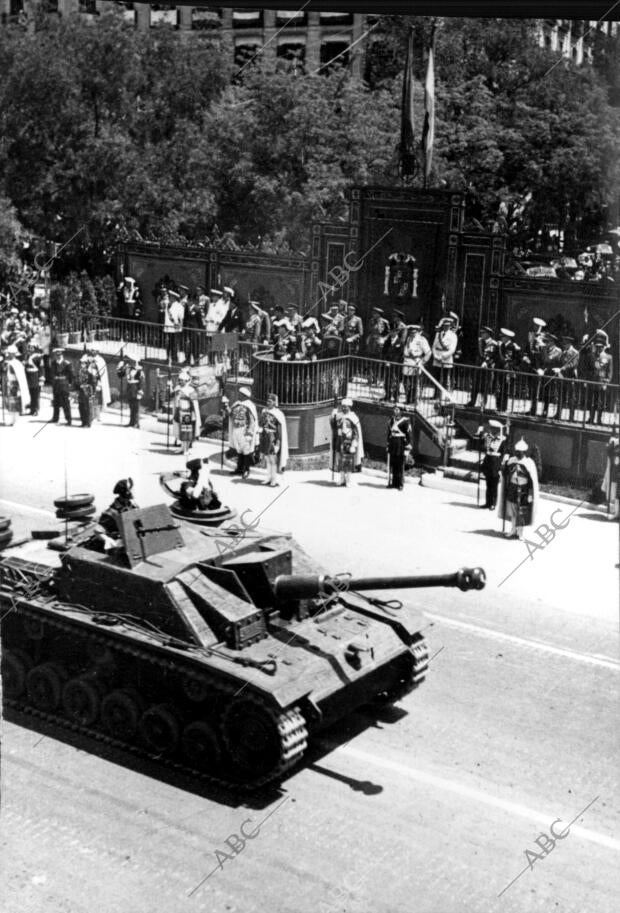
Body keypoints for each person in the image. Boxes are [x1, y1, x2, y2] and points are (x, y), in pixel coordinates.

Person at [498, 438, 540, 540]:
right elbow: (505, 474)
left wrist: (530, 493)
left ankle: (520, 533)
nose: (517, 453)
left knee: (522, 511)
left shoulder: (529, 463)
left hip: (524, 489)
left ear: (524, 452)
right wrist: (504, 463)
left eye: (520, 452)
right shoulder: (511, 460)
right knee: (513, 511)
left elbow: (531, 480)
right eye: (516, 451)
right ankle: (512, 530)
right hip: (512, 487)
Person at [225, 386, 258, 479]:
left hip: (244, 430)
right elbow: (231, 414)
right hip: (236, 429)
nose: (238, 395)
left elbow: (252, 421)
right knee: (239, 449)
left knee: (246, 450)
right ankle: (239, 469)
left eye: (240, 394)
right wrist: (226, 406)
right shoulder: (236, 404)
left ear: (244, 395)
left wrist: (249, 433)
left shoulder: (250, 406)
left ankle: (246, 470)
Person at [330, 397, 364, 487]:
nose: (344, 408)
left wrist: (354, 444)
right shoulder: (338, 415)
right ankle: (341, 479)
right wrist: (332, 417)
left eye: (346, 407)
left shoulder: (353, 417)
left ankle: (348, 480)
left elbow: (356, 433)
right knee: (340, 461)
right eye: (343, 406)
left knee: (348, 462)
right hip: (339, 441)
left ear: (349, 407)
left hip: (348, 442)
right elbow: (333, 427)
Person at [259, 393, 289, 486]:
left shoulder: (278, 414)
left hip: (272, 437)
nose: (268, 402)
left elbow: (279, 430)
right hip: (264, 437)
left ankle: (274, 479)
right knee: (267, 458)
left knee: (273, 459)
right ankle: (268, 477)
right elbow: (261, 423)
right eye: (267, 401)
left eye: (270, 401)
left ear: (274, 403)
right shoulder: (264, 411)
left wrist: (278, 443)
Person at [476, 418, 506, 509]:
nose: (491, 430)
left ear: (498, 430)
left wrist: (500, 466)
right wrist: (480, 433)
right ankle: (487, 502)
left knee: (494, 484)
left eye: (494, 429)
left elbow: (503, 453)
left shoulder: (503, 440)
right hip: (488, 461)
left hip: (496, 462)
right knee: (488, 484)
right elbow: (483, 447)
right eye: (491, 428)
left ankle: (493, 503)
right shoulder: (488, 437)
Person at [98, 478, 139, 545]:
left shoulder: (133, 506)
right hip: (119, 544)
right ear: (126, 492)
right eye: (131, 489)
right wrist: (107, 540)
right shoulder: (111, 513)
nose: (133, 492)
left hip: (134, 541)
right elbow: (98, 531)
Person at [467, 326, 498, 409]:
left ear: (488, 334)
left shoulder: (492, 343)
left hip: (487, 368)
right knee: (475, 384)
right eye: (481, 333)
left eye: (483, 333)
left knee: (485, 387)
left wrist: (486, 362)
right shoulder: (480, 342)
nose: (481, 334)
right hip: (478, 367)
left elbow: (489, 355)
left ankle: (483, 404)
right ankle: (472, 401)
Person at [522, 317, 547, 416]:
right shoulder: (530, 337)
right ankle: (531, 408)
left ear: (541, 328)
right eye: (535, 326)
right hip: (531, 368)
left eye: (538, 327)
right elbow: (526, 350)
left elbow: (544, 357)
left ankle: (535, 410)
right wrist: (525, 357)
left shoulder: (543, 339)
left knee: (537, 390)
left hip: (539, 369)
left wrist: (542, 369)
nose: (535, 328)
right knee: (531, 389)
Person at [172, 370, 201, 451]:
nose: (180, 382)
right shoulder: (177, 389)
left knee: (186, 431)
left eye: (182, 380)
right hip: (179, 412)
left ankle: (186, 449)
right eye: (179, 380)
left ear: (186, 381)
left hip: (187, 413)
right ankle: (182, 447)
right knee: (179, 430)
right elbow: (173, 398)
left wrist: (195, 416)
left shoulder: (191, 390)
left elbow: (195, 405)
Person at [402, 324, 431, 406]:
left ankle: (413, 400)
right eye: (411, 331)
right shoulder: (408, 338)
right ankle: (407, 399)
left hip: (415, 362)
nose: (412, 333)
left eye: (414, 331)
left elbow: (428, 352)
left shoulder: (422, 340)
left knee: (414, 383)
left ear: (417, 331)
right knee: (405, 382)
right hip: (406, 361)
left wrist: (423, 361)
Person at [383, 310, 407, 402]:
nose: (394, 318)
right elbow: (384, 350)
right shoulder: (388, 340)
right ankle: (387, 396)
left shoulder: (402, 328)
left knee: (396, 379)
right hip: (388, 362)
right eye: (391, 331)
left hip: (396, 362)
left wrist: (395, 361)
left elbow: (401, 348)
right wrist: (386, 360)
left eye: (396, 316)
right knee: (387, 379)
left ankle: (396, 396)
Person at [430, 315, 458, 396]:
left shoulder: (453, 335)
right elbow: (434, 346)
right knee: (436, 377)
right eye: (444, 325)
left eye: (448, 325)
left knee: (445, 378)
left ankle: (444, 395)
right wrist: (435, 356)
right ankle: (436, 395)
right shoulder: (438, 334)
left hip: (446, 359)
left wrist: (442, 357)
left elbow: (452, 349)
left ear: (450, 326)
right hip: (437, 357)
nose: (446, 327)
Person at [495, 328, 521, 412]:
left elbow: (513, 359)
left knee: (506, 389)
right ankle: (498, 406)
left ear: (507, 338)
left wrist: (511, 366)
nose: (502, 338)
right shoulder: (502, 345)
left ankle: (503, 407)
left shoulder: (512, 346)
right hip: (501, 369)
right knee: (499, 387)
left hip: (508, 370)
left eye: (503, 337)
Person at [386, 405, 412, 490]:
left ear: (401, 411)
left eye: (397, 410)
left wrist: (407, 447)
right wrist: (388, 444)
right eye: (395, 409)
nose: (395, 411)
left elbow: (408, 435)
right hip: (393, 444)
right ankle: (393, 483)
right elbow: (389, 434)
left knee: (400, 465)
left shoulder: (405, 421)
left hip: (401, 444)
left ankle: (400, 484)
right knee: (393, 464)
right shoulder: (391, 420)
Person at [554, 335, 579, 421]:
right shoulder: (563, 352)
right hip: (562, 376)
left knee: (571, 398)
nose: (564, 345)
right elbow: (559, 362)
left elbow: (573, 364)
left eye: (565, 344)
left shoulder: (575, 352)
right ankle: (558, 414)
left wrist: (562, 368)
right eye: (563, 344)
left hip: (571, 377)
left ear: (569, 344)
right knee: (561, 396)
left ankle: (571, 417)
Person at [589, 336, 613, 424]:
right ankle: (591, 418)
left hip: (602, 382)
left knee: (600, 402)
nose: (599, 348)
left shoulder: (608, 357)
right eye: (597, 347)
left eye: (601, 347)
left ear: (604, 347)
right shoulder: (592, 356)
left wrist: (607, 381)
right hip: (593, 381)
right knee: (592, 401)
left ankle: (599, 420)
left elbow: (610, 371)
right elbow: (589, 369)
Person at [117, 354, 143, 428]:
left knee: (136, 406)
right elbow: (120, 375)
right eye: (129, 360)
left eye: (131, 360)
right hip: (129, 388)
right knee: (131, 406)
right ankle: (131, 422)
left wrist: (140, 390)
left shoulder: (139, 370)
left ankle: (136, 423)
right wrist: (120, 367)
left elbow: (141, 381)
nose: (129, 361)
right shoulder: (128, 368)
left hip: (135, 388)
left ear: (135, 361)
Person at [540, 333, 562, 418]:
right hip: (546, 373)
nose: (545, 343)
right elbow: (543, 360)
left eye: (547, 341)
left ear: (552, 342)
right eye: (545, 341)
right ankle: (545, 411)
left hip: (553, 374)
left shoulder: (557, 350)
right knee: (545, 394)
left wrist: (544, 349)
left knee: (553, 395)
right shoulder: (546, 349)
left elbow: (548, 359)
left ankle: (556, 413)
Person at [50, 347, 73, 425]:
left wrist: (69, 384)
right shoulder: (53, 363)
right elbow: (52, 374)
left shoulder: (67, 363)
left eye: (59, 355)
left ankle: (68, 419)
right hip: (56, 386)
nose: (58, 356)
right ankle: (55, 418)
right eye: (57, 355)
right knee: (56, 403)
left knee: (65, 403)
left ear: (62, 355)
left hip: (64, 386)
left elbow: (71, 375)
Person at [162, 289, 185, 363]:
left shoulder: (179, 306)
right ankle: (168, 358)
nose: (169, 298)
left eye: (171, 297)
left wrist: (179, 327)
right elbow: (161, 303)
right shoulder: (167, 304)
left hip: (175, 329)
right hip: (168, 328)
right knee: (168, 344)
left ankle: (174, 359)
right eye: (169, 296)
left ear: (174, 297)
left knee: (174, 345)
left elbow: (181, 318)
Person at [601, 428, 619, 520]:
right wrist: (612, 444)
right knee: (617, 494)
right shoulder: (616, 443)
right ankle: (616, 513)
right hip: (617, 473)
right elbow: (609, 451)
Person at [76, 353, 98, 428]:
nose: (82, 364)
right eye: (81, 363)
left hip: (88, 391)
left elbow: (93, 382)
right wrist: (78, 387)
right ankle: (83, 421)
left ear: (87, 364)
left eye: (84, 363)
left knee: (88, 407)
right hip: (81, 391)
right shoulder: (80, 371)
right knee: (81, 406)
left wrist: (93, 392)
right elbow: (77, 381)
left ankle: (88, 423)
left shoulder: (90, 372)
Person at [24, 341, 44, 416]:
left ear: (35, 348)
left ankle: (36, 409)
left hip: (35, 376)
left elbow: (41, 368)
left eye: (31, 347)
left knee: (36, 395)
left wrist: (41, 379)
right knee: (31, 394)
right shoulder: (28, 356)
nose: (30, 349)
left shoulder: (38, 357)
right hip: (29, 377)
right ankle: (32, 409)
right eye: (29, 347)